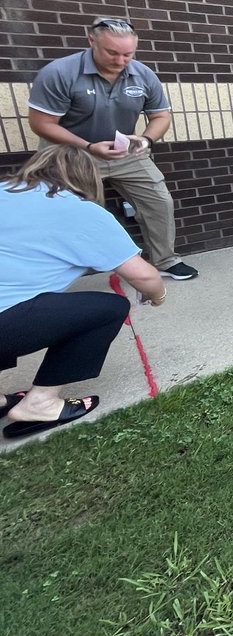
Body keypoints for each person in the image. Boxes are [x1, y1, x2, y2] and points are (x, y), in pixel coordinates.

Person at [0, 145, 165, 439]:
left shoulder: (5, 190)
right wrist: (157, 296)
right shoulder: (79, 210)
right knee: (109, 309)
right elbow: (144, 275)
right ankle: (40, 404)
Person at [26, 16, 198, 280]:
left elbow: (161, 116)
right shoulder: (60, 72)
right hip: (70, 155)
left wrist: (146, 140)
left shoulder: (142, 74)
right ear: (91, 40)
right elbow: (41, 123)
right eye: (112, 53)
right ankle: (65, 269)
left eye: (128, 54)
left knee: (159, 201)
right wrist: (89, 146)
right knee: (68, 211)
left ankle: (164, 260)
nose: (120, 61)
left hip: (126, 153)